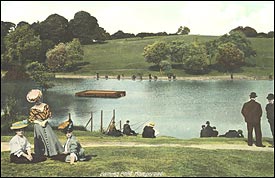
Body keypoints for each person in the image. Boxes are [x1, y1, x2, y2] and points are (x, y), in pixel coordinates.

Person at [26, 89, 64, 157]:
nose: (37, 101)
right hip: (38, 125)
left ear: (40, 98)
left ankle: (53, 152)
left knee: (50, 137)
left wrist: (45, 121)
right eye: (35, 100)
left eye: (38, 99)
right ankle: (43, 153)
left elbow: (49, 116)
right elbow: (32, 119)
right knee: (40, 138)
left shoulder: (45, 106)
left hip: (46, 123)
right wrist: (39, 123)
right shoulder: (32, 109)